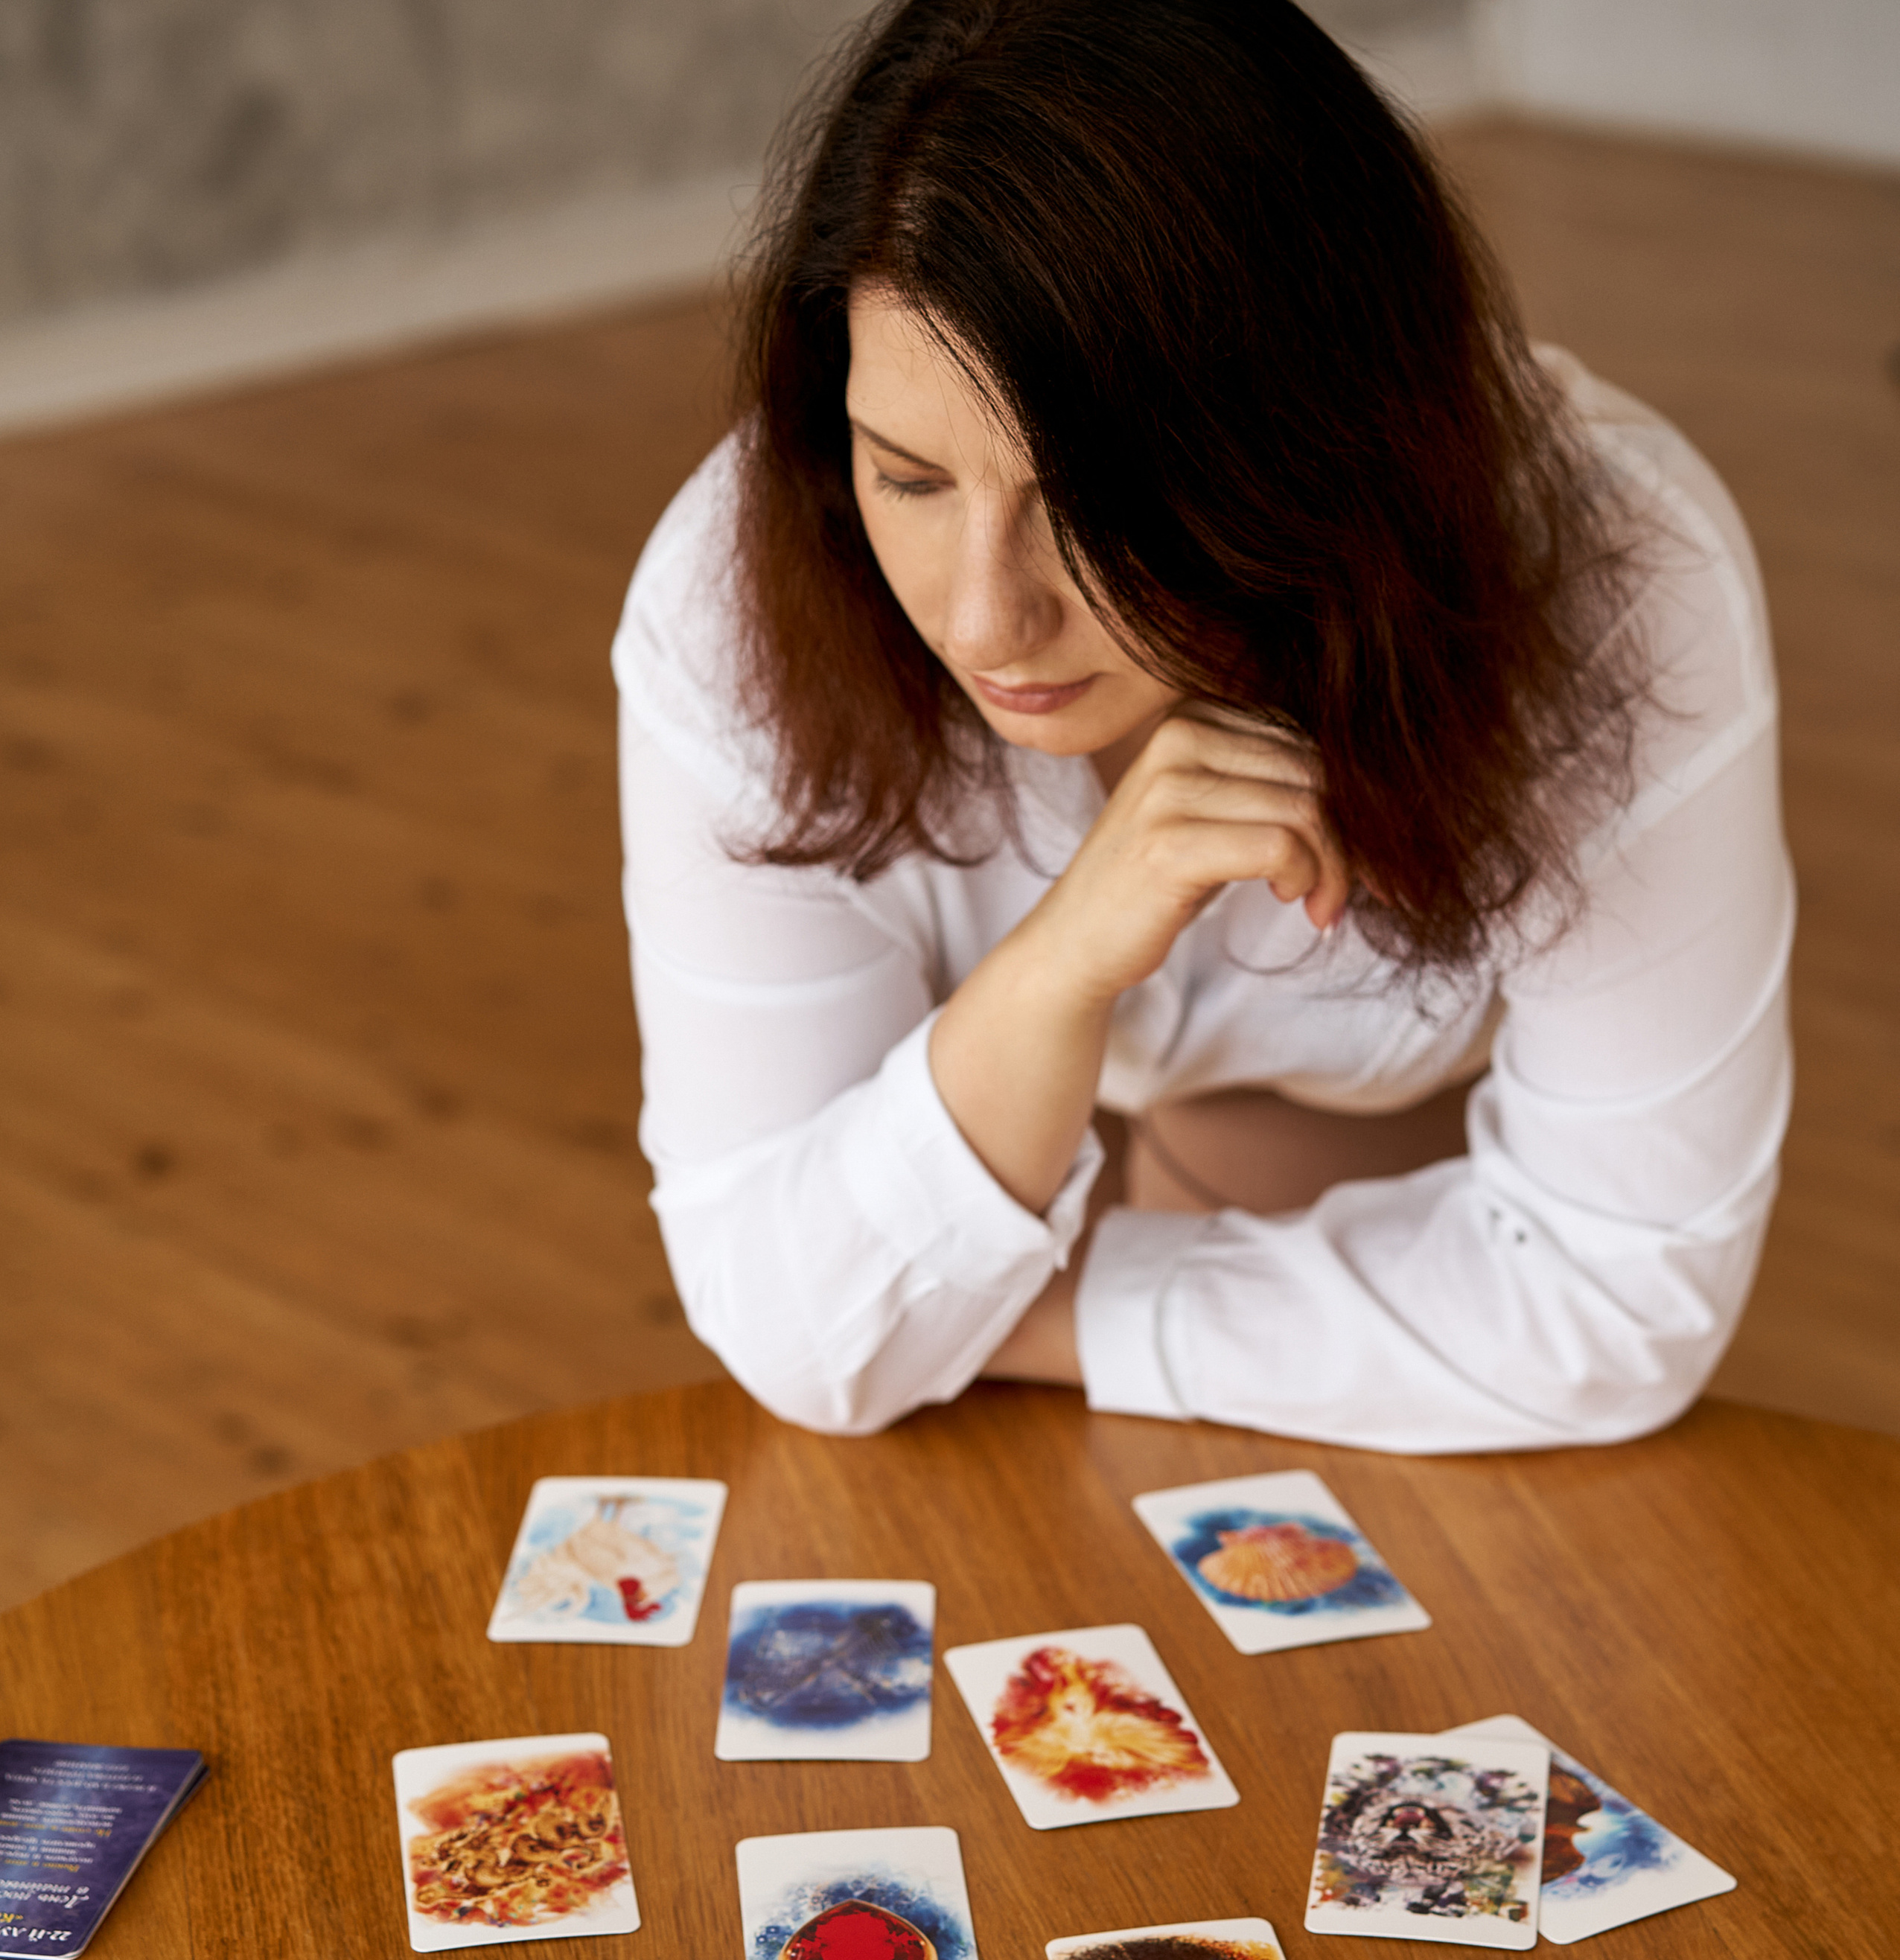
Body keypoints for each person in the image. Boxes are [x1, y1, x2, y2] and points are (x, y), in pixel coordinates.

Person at [612, 0, 1790, 1449]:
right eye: (910, 479)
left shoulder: (1611, 582)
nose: (984, 624)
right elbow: (782, 1318)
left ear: (1300, 443)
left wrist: (1012, 1321)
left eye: (1091, 505)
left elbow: (1615, 1299)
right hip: (1067, 1095)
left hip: (1349, 1117)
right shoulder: (731, 597)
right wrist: (1056, 968)